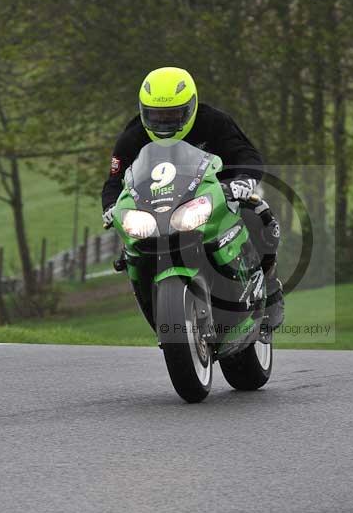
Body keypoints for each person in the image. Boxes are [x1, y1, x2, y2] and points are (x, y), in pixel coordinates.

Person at [101, 66, 283, 328]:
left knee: (258, 216)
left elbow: (248, 156)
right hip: (157, 206)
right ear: (143, 110)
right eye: (155, 116)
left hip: (216, 193)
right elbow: (113, 181)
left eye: (173, 114)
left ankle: (270, 287)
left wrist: (243, 182)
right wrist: (110, 206)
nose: (164, 123)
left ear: (191, 106)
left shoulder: (214, 121)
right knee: (132, 249)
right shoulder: (133, 134)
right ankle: (155, 304)